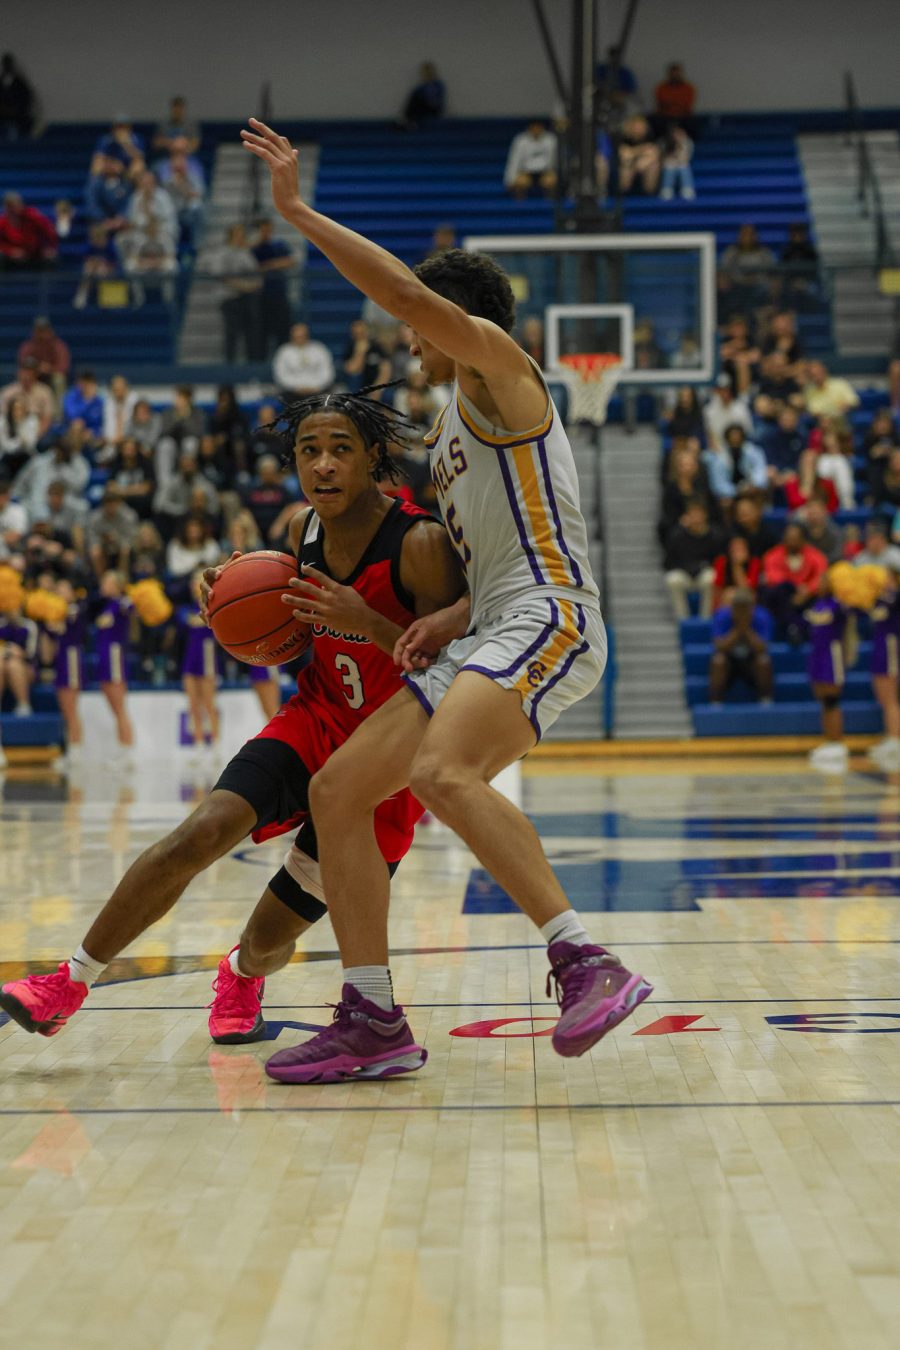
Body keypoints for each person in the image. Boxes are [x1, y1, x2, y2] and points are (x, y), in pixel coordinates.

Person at [237, 117, 652, 1082]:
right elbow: (498, 552)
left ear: (447, 321)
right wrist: (449, 617)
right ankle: (372, 1017)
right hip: (497, 623)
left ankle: (584, 957)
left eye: (416, 326)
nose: (403, 340)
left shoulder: (503, 374)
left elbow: (402, 291)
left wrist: (297, 209)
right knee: (340, 793)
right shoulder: (452, 443)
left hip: (551, 616)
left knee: (441, 774)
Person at [0, 391, 465, 1051]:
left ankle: (240, 974)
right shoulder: (300, 530)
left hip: (387, 761)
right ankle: (65, 984)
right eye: (309, 451)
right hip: (315, 720)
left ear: (372, 458)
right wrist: (235, 592)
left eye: (340, 450)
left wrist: (367, 622)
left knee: (270, 940)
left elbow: (456, 674)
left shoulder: (418, 544)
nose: (323, 466)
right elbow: (285, 615)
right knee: (200, 832)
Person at [804, 575, 849, 773]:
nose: (820, 584)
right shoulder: (817, 604)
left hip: (832, 654)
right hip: (817, 654)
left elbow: (848, 616)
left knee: (832, 699)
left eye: (824, 581)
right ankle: (828, 740)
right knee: (822, 699)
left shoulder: (838, 604)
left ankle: (837, 742)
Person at [207, 223, 264, 364]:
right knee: (232, 332)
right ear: (231, 236)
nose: (241, 238)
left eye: (242, 235)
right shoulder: (222, 253)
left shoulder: (245, 252)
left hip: (247, 297)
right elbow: (221, 275)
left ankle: (252, 365)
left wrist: (253, 285)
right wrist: (243, 286)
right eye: (238, 235)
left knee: (251, 332)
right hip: (229, 298)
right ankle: (230, 367)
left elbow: (255, 272)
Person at [761, 522, 828, 642]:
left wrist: (807, 590)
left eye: (795, 539)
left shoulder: (815, 556)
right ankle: (793, 628)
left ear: (803, 540)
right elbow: (772, 576)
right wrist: (795, 589)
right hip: (783, 600)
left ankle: (799, 629)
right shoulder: (772, 555)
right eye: (789, 539)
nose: (792, 542)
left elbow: (820, 576)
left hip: (807, 599)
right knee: (779, 591)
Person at [178, 572, 220, 757]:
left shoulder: (214, 604)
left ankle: (216, 745)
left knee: (209, 703)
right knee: (193, 704)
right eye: (193, 582)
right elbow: (183, 621)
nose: (195, 584)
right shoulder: (186, 609)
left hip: (207, 655)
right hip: (190, 658)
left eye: (198, 581)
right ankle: (199, 744)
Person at [709, 588, 773, 704]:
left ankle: (766, 700)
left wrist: (747, 629)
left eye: (745, 611)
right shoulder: (721, 615)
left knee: (763, 661)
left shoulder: (762, 616)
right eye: (738, 611)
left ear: (752, 609)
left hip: (751, 663)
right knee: (718, 661)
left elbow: (762, 648)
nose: (741, 614)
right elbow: (719, 647)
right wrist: (738, 630)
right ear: (732, 608)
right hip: (730, 663)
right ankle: (715, 702)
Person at [664, 498, 721, 619]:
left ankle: (706, 619)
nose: (696, 518)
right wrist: (685, 568)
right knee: (672, 579)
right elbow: (668, 561)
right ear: (687, 516)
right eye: (692, 514)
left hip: (703, 573)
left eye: (698, 514)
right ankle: (683, 620)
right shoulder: (677, 535)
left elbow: (718, 560)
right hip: (684, 573)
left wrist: (702, 567)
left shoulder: (714, 535)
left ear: (705, 515)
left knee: (711, 578)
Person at [867, 572, 900, 769]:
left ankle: (896, 740)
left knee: (890, 696)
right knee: (882, 694)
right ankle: (891, 736)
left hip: (891, 646)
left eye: (886, 577)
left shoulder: (894, 598)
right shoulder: (878, 598)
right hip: (880, 645)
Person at [251, 218, 294, 352]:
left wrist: (269, 265)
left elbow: (290, 261)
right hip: (261, 293)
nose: (266, 232)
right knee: (262, 328)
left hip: (279, 291)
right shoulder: (255, 247)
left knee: (282, 326)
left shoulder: (279, 244)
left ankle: (282, 353)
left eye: (268, 229)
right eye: (263, 229)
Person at [17, 317, 70, 411]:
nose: (41, 334)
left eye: (43, 330)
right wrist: (37, 368)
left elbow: (63, 366)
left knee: (59, 379)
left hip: (51, 376)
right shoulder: (28, 346)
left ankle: (59, 415)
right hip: (34, 376)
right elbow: (23, 363)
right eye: (39, 330)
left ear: (49, 331)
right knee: (25, 376)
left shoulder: (58, 346)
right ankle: (23, 411)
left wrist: (49, 369)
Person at [273, 322, 335, 398]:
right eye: (297, 337)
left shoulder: (319, 349)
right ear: (291, 336)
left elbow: (327, 373)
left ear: (307, 335)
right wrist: (297, 388)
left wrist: (315, 387)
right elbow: (281, 375)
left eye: (302, 336)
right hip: (292, 392)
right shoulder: (284, 351)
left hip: (318, 391)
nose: (300, 339)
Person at [0, 192, 57, 270]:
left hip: (35, 254)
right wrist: (10, 251)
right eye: (11, 207)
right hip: (12, 258)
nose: (15, 209)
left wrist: (50, 247)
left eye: (17, 205)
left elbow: (49, 230)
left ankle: (48, 282)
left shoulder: (33, 216)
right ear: (7, 208)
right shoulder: (2, 222)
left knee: (51, 258)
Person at [503, 120, 558, 199]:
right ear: (529, 128)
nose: (536, 130)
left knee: (551, 180)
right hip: (526, 172)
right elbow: (514, 160)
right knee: (520, 182)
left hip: (545, 172)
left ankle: (550, 203)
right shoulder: (520, 140)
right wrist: (510, 179)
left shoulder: (551, 140)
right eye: (534, 128)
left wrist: (554, 174)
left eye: (538, 128)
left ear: (542, 128)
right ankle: (520, 204)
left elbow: (554, 160)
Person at [0, 599, 37, 714]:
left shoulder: (29, 626)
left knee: (13, 665)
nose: (12, 611)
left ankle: (24, 704)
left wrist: (20, 653)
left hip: (25, 666)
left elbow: (33, 654)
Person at [703, 373, 753, 451]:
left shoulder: (741, 408)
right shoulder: (709, 410)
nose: (724, 393)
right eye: (720, 390)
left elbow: (748, 432)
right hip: (718, 449)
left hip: (739, 448)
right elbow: (709, 435)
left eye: (726, 390)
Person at [342, 319, 391, 392]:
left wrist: (377, 389)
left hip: (377, 385)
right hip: (359, 387)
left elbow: (386, 370)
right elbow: (352, 370)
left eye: (361, 333)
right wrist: (360, 352)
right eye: (356, 334)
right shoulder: (350, 348)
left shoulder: (376, 346)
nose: (359, 337)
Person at [616, 117, 660, 196]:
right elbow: (624, 155)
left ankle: (649, 196)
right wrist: (642, 150)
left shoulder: (650, 137)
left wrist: (634, 155)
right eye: (636, 127)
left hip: (644, 165)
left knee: (653, 166)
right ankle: (622, 196)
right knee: (626, 165)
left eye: (640, 127)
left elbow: (653, 152)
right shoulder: (624, 137)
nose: (638, 130)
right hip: (628, 165)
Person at [398, 62, 445, 131]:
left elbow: (437, 100)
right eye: (424, 72)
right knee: (415, 97)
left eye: (428, 72)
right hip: (422, 109)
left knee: (417, 99)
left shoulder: (437, 85)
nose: (426, 74)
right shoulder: (420, 87)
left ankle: (410, 122)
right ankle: (409, 121)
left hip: (433, 108)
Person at [0, 53, 36, 141]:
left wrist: (15, 109)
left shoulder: (20, 83)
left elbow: (26, 98)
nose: (7, 66)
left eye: (9, 64)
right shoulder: (1, 81)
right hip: (2, 115)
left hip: (18, 115)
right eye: (5, 64)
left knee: (27, 123)